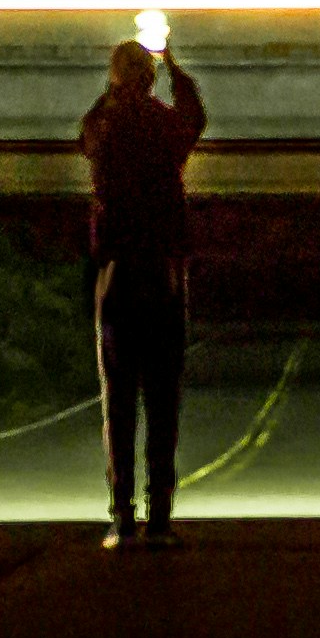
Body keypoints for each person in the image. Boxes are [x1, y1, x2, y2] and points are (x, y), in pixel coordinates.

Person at [77, 31, 205, 543]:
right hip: (162, 276)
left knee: (119, 404)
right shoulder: (164, 125)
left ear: (115, 79)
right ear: (151, 80)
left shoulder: (105, 126)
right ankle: (161, 517)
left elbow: (85, 134)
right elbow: (195, 118)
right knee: (162, 403)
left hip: (118, 278)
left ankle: (123, 515)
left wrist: (112, 90)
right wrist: (172, 63)